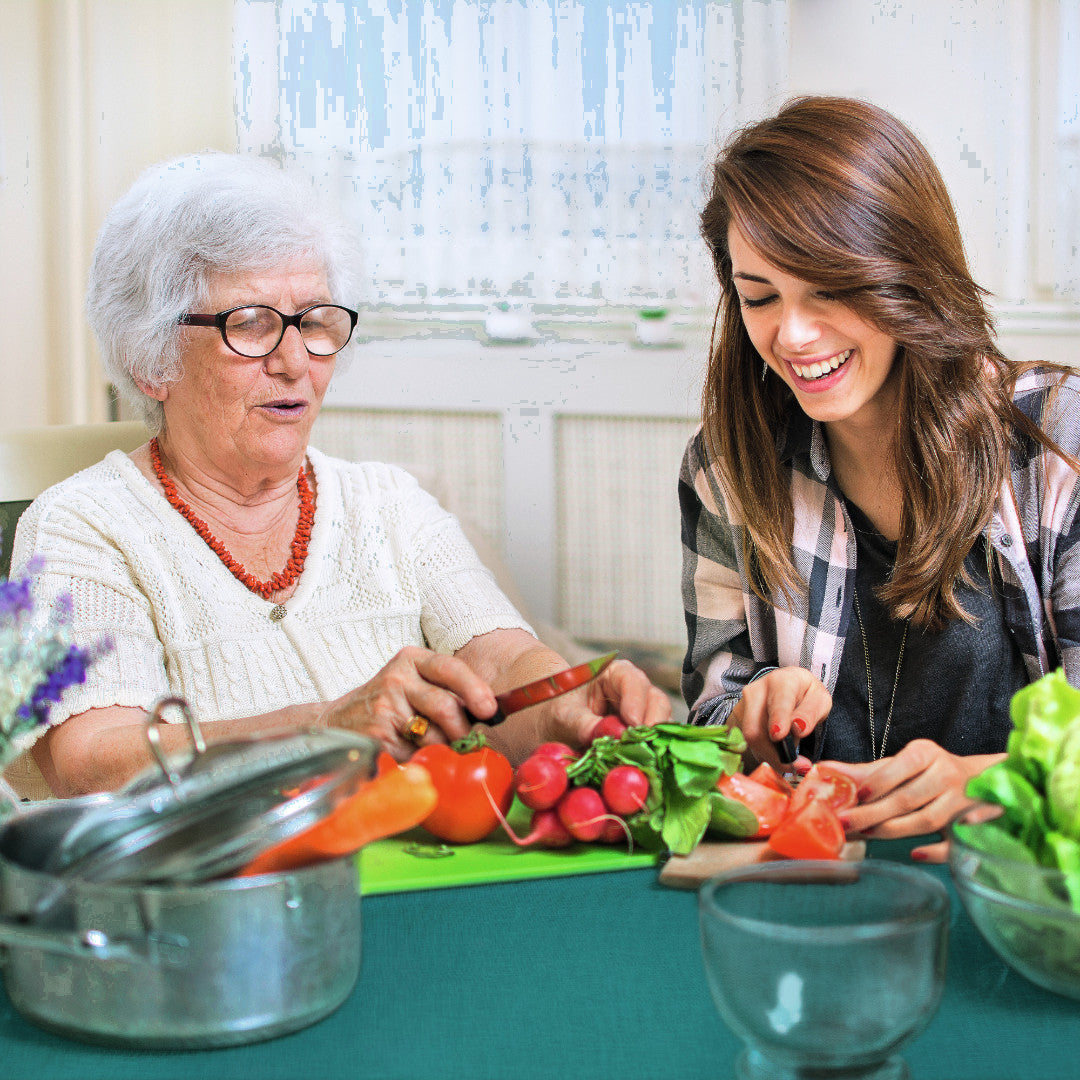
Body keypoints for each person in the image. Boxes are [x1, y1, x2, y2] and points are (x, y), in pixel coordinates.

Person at [13, 152, 669, 796]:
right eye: (251, 324)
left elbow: (499, 660)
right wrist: (321, 729)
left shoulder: (389, 502)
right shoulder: (80, 527)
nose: (296, 361)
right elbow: (92, 762)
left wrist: (567, 703)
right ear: (149, 359)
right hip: (225, 896)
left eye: (316, 321)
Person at [680, 96, 1080, 861]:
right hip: (814, 884)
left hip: (1017, 894)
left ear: (906, 270)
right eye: (759, 296)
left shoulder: (1060, 442)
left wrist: (991, 779)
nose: (792, 335)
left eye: (828, 288)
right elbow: (709, 708)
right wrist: (747, 716)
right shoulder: (726, 464)